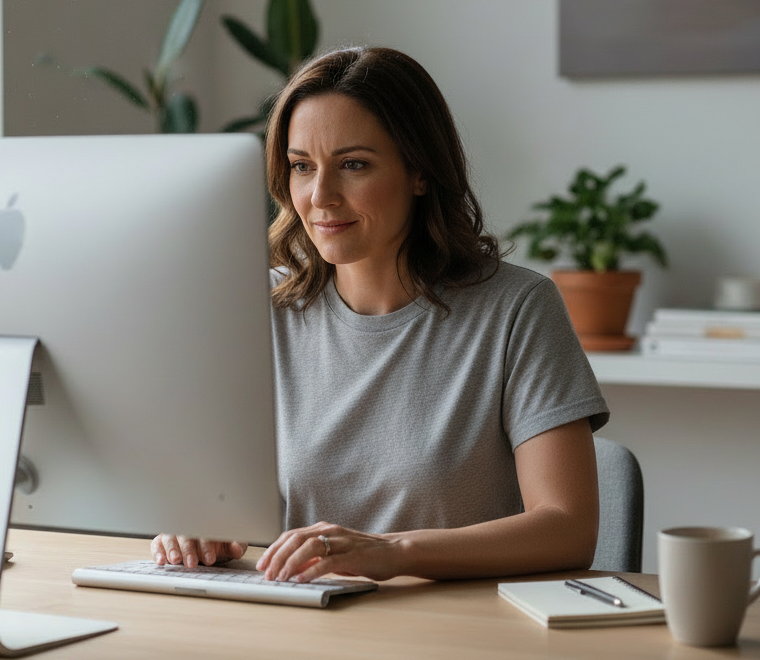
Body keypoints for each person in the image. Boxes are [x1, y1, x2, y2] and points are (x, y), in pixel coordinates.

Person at [151, 46, 608, 582]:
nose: (320, 196)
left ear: (419, 171)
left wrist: (395, 552)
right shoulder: (257, 311)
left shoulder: (517, 309)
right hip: (294, 627)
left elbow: (568, 529)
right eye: (302, 167)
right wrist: (194, 527)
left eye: (353, 165)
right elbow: (209, 498)